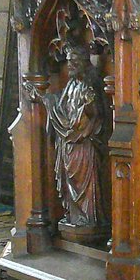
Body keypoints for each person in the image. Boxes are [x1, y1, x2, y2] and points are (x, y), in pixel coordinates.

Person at [45, 40, 106, 228]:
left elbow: (98, 114)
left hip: (83, 143)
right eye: (69, 61)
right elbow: (61, 105)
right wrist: (47, 100)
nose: (70, 65)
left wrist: (89, 107)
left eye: (74, 62)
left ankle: (88, 219)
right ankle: (73, 217)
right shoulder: (71, 83)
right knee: (68, 184)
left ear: (84, 62)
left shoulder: (91, 83)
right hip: (68, 142)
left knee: (84, 186)